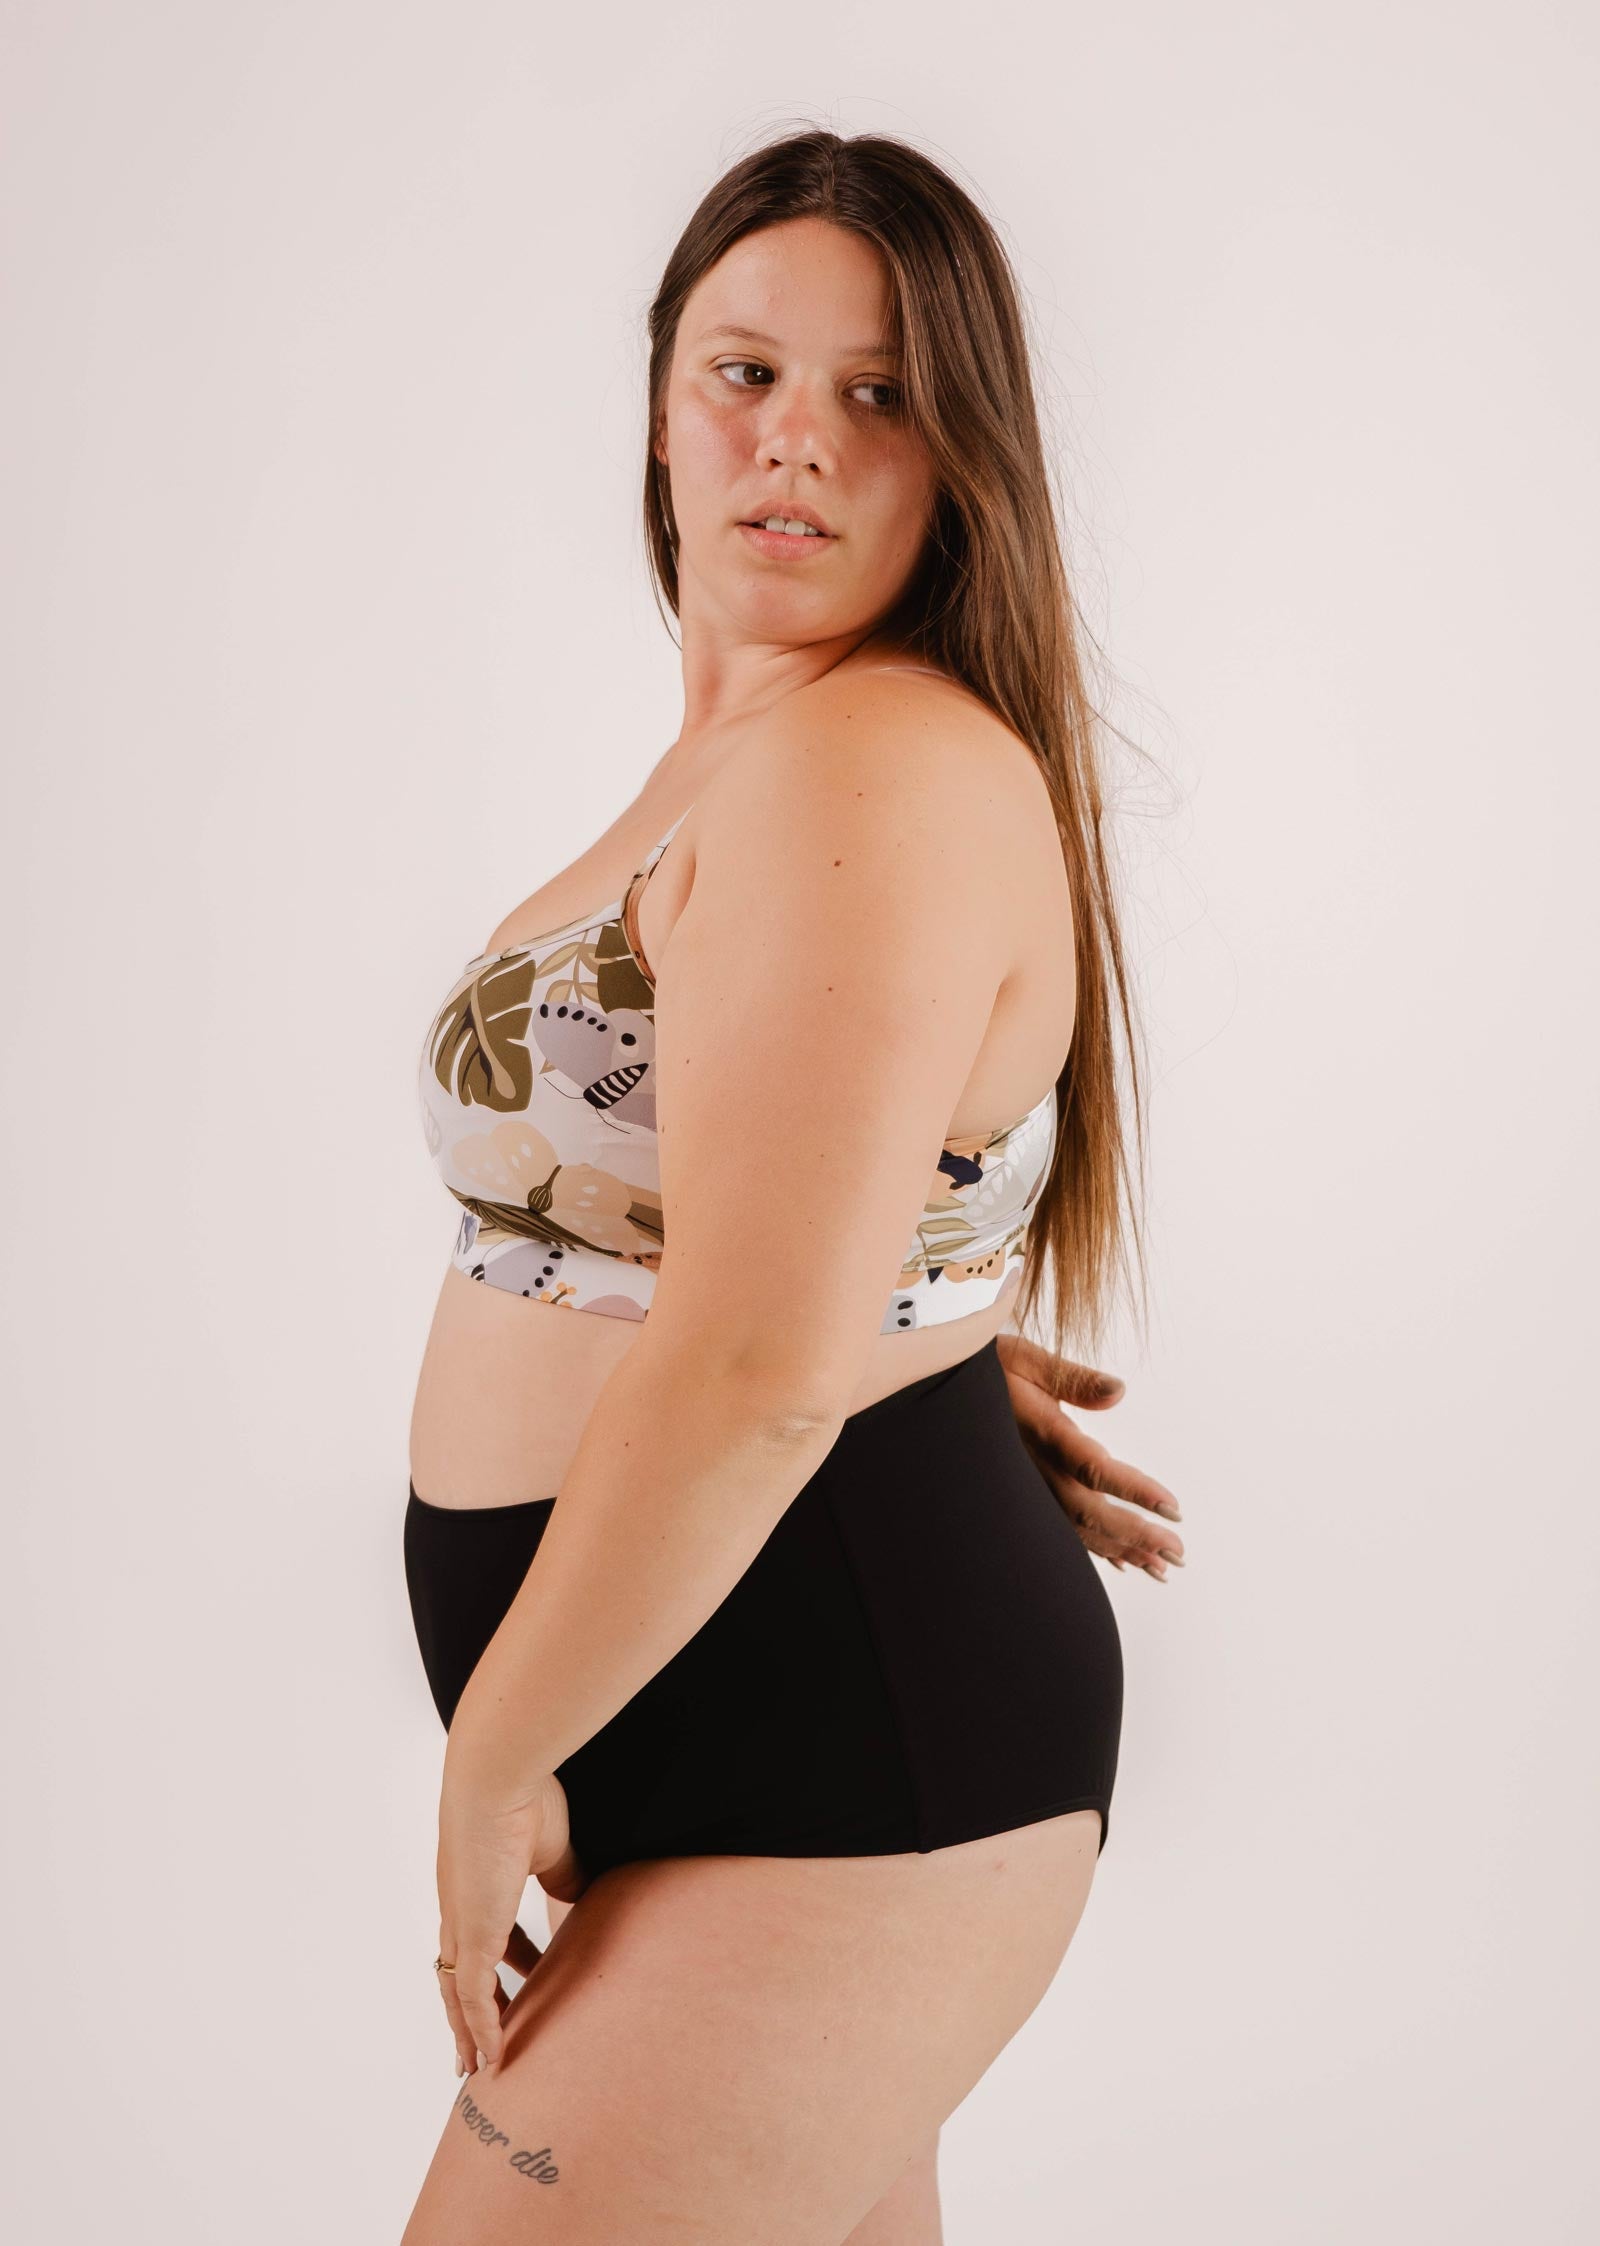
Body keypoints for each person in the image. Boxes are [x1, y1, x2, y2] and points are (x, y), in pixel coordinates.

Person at [400, 126, 1183, 2246]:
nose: (794, 446)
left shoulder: (876, 759)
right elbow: (759, 1240)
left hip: (844, 1746)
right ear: (659, 402)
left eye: (877, 394)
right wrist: (908, 1331)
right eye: (742, 374)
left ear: (958, 458)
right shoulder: (751, 751)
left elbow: (750, 1363)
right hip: (764, 1705)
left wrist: (488, 1767)